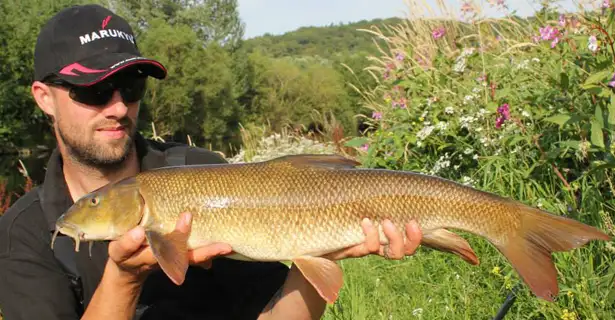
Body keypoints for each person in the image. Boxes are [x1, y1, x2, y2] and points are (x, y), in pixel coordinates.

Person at [0, 4, 423, 320]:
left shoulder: (200, 168)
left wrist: (328, 251)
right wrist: (124, 278)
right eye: (93, 90)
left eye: (130, 86)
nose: (117, 107)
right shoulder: (25, 234)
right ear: (43, 97)